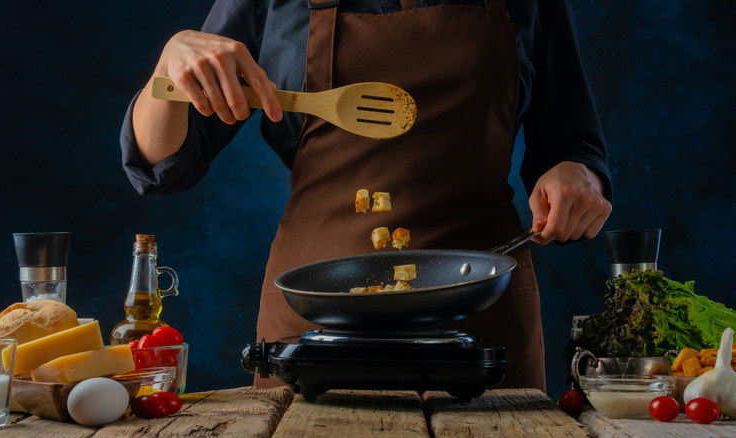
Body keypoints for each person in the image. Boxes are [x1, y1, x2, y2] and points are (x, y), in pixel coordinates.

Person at [120, 0, 612, 392]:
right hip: (312, 323)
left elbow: (573, 144)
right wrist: (172, 62)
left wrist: (578, 176)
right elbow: (163, 166)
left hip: (480, 322)